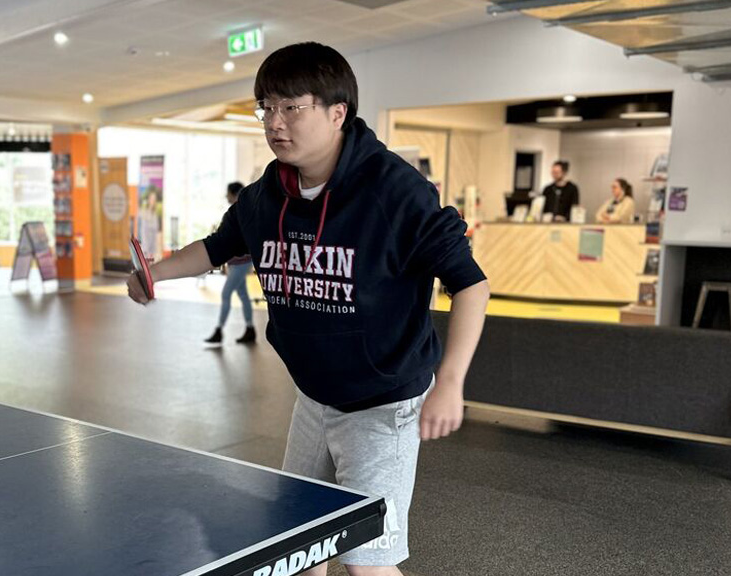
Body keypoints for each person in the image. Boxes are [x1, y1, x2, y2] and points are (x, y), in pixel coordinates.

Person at [127, 42, 489, 575]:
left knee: (367, 562)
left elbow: (470, 284)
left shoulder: (396, 192)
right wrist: (154, 273)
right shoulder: (266, 194)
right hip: (314, 398)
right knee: (298, 546)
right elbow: (217, 245)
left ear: (336, 112)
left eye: (291, 107)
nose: (275, 122)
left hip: (383, 404)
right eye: (266, 108)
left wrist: (452, 382)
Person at [204, 182, 256, 345]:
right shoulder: (238, 212)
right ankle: (250, 329)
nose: (226, 196)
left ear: (234, 194)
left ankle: (219, 330)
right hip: (238, 262)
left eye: (228, 193)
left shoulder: (243, 212)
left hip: (242, 262)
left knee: (226, 294)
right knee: (243, 295)